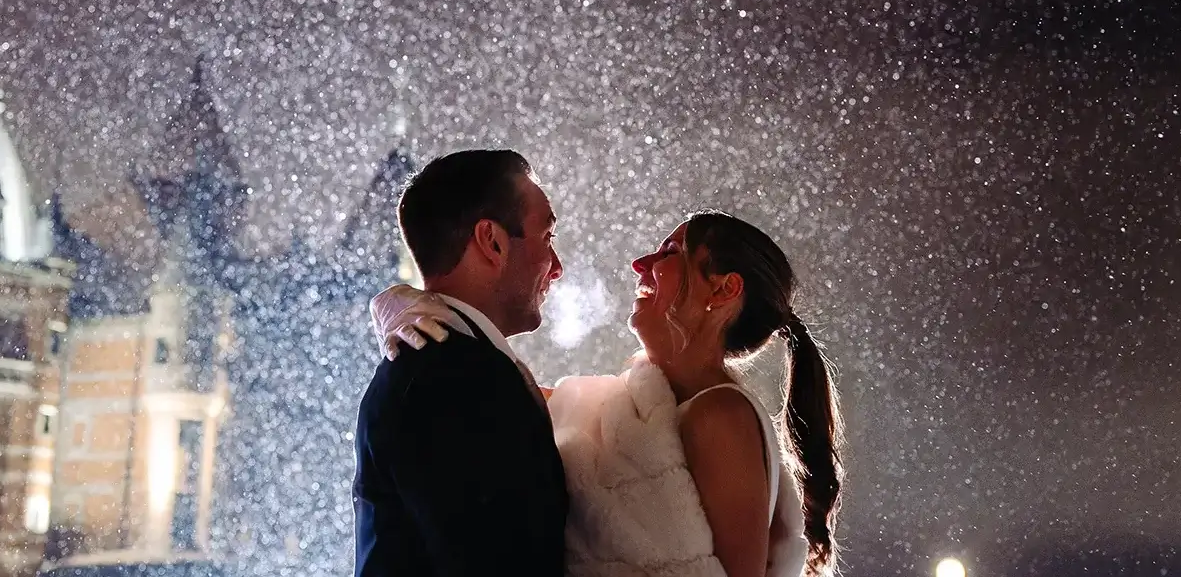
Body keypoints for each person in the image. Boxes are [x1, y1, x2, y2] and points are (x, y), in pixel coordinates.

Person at [373, 211, 843, 577]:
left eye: (669, 253)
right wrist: (422, 311)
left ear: (723, 288)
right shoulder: (632, 412)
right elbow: (500, 393)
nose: (640, 265)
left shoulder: (721, 415)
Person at [353, 149, 569, 577]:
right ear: (491, 241)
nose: (557, 268)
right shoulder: (459, 380)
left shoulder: (438, 366)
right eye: (547, 237)